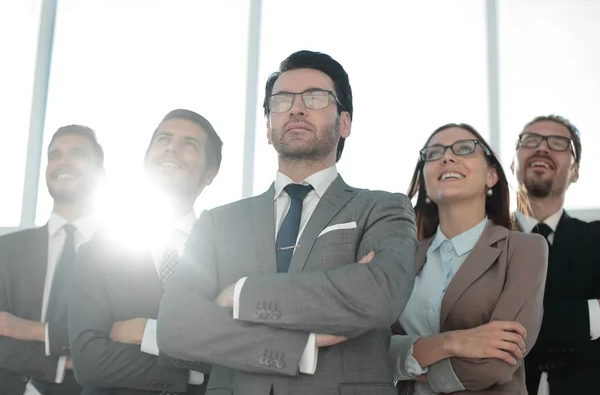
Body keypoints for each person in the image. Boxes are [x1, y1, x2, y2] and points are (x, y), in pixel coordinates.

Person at [156, 50, 418, 395]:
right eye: (281, 101)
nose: (296, 108)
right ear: (268, 128)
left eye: (315, 97)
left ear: (344, 123)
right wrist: (295, 351)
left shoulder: (383, 208)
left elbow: (380, 293)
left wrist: (242, 294)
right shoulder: (218, 222)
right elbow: (176, 325)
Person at [68, 109, 222, 394]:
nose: (172, 148)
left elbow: (240, 350)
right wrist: (193, 370)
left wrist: (147, 333)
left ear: (210, 174)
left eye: (190, 144)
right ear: (146, 159)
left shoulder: (228, 255)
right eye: (164, 139)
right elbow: (89, 362)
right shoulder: (97, 252)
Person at [390, 123, 547, 394]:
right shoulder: (400, 256)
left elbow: (497, 363)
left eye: (465, 149)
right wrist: (454, 342)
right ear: (426, 178)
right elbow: (369, 350)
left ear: (491, 176)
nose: (447, 157)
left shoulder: (525, 249)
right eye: (434, 153)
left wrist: (404, 365)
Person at [0, 125, 105, 395]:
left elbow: (115, 338)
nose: (63, 162)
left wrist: (35, 330)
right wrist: (57, 365)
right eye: (54, 155)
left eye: (76, 153)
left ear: (100, 175)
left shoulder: (128, 257)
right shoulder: (6, 249)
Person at [511, 115, 600, 395]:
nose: (543, 148)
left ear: (575, 171)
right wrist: (591, 316)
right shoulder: (481, 242)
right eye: (531, 140)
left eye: (559, 143)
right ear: (513, 163)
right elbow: (477, 324)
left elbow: (506, 329)